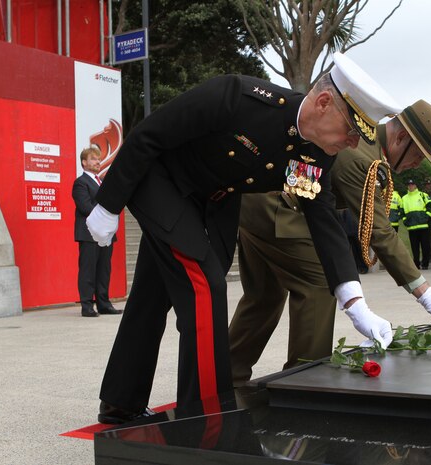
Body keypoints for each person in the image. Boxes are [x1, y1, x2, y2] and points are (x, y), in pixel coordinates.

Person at [86, 53, 398, 424]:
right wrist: (107, 206)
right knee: (205, 287)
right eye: (350, 132)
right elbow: (146, 137)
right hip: (160, 183)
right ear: (324, 102)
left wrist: (353, 300)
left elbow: (321, 216)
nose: (350, 144)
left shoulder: (315, 154)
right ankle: (206, 419)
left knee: (153, 296)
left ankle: (121, 402)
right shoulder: (236, 97)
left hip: (213, 202)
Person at [229, 100, 431, 383]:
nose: (417, 165)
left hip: (258, 204)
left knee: (264, 296)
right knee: (320, 282)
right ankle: (303, 387)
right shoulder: (365, 159)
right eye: (419, 156)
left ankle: (226, 378)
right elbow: (380, 231)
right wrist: (427, 295)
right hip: (280, 209)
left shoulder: (369, 142)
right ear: (401, 137)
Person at [71, 147, 123, 318]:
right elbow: (85, 206)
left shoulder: (102, 182)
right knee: (88, 270)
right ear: (84, 162)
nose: (97, 162)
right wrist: (106, 215)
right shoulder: (81, 182)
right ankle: (87, 306)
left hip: (105, 234)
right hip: (89, 233)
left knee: (103, 270)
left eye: (98, 159)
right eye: (93, 159)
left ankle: (103, 304)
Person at [401, 180, 431, 270]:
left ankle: (425, 264)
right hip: (411, 227)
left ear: (415, 186)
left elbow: (430, 206)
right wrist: (405, 220)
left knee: (425, 246)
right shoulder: (404, 198)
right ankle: (416, 264)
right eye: (409, 185)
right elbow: (402, 211)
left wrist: (427, 217)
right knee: (414, 248)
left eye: (412, 184)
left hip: (423, 227)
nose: (410, 186)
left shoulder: (423, 195)